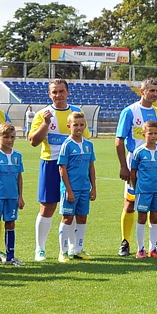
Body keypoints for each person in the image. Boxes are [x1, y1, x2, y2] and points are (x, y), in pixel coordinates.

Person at [116, 77, 157, 257]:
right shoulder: (130, 111)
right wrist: (124, 166)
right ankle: (126, 241)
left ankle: (155, 243)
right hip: (136, 165)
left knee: (156, 203)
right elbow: (119, 141)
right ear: (142, 92)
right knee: (131, 203)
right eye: (151, 91)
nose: (154, 94)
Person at [29, 79, 89, 262]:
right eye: (54, 92)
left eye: (61, 91)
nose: (58, 95)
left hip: (73, 167)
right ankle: (40, 249)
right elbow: (33, 141)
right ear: (49, 94)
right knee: (48, 207)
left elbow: (85, 141)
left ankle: (73, 249)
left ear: (68, 92)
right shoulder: (42, 114)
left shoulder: (75, 113)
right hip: (50, 163)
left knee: (72, 209)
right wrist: (46, 124)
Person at [57, 112, 96, 261]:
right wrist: (68, 190)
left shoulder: (88, 145)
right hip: (70, 189)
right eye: (75, 125)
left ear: (85, 126)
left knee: (82, 217)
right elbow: (62, 169)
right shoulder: (66, 145)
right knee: (67, 218)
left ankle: (78, 249)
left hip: (84, 188)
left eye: (81, 125)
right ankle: (63, 251)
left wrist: (93, 188)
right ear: (69, 126)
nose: (79, 128)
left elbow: (91, 167)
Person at [129, 120, 157, 258]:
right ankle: (140, 249)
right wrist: (136, 186)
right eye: (150, 133)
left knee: (155, 217)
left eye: (156, 133)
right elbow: (133, 172)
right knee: (142, 217)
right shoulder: (138, 152)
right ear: (144, 134)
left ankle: (153, 249)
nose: (153, 136)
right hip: (143, 190)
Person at [0, 122, 25, 266]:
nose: (9, 140)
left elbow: (19, 177)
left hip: (12, 197)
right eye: (6, 137)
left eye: (12, 137)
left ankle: (10, 257)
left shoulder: (17, 156)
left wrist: (20, 196)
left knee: (10, 224)